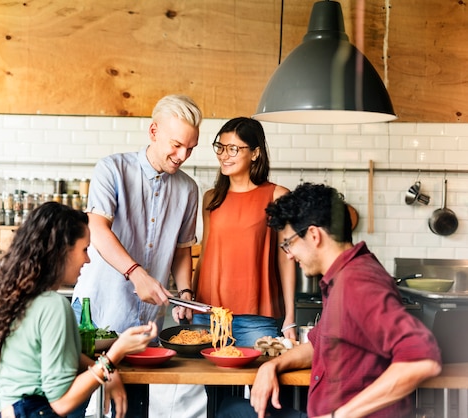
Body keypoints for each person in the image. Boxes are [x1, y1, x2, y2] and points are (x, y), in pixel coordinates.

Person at [217, 183, 442, 418]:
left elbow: (422, 359)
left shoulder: (357, 282)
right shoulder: (343, 276)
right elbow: (318, 345)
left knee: (230, 413)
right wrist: (272, 365)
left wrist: (339, 416)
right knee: (231, 409)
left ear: (314, 235)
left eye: (289, 243)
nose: (290, 255)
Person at [70, 94, 204, 417]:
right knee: (70, 407)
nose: (182, 156)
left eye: (190, 148)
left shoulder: (188, 189)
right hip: (95, 316)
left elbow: (182, 249)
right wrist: (136, 273)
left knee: (127, 411)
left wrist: (185, 293)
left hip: (143, 327)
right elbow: (98, 229)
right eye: (176, 145)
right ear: (153, 131)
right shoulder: (112, 169)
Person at [0, 202, 158, 418]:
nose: (88, 260)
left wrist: (104, 368)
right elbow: (61, 403)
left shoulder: (19, 296)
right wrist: (115, 353)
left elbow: (55, 352)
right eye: (84, 250)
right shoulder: (54, 306)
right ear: (62, 251)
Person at [188, 117, 296, 346]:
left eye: (233, 149)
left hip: (256, 317)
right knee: (213, 383)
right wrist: (190, 301)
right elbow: (206, 252)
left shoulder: (278, 196)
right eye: (220, 147)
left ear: (255, 153)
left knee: (261, 380)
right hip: (207, 315)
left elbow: (286, 260)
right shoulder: (211, 198)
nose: (224, 155)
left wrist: (290, 318)